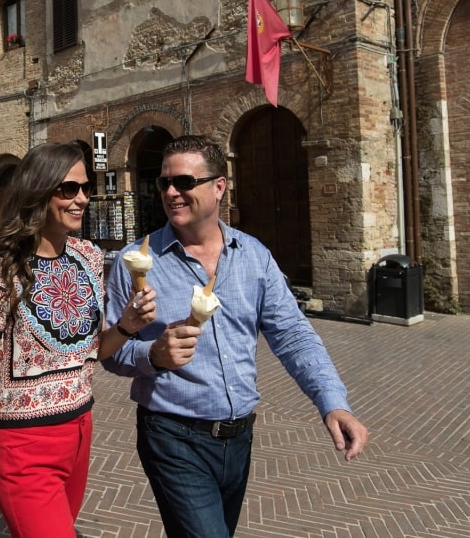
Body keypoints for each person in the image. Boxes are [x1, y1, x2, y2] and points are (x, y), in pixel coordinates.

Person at [102, 134, 369, 537]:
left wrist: (333, 402)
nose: (171, 192)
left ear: (219, 187)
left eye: (184, 183)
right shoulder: (135, 262)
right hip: (172, 436)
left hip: (239, 437)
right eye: (164, 183)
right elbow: (110, 354)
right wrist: (153, 355)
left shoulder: (254, 255)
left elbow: (294, 334)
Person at [0, 142, 157, 538]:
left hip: (80, 432)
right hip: (23, 448)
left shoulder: (89, 257)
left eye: (85, 187)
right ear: (39, 190)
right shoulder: (0, 271)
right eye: (68, 189)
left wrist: (127, 326)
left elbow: (91, 352)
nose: (81, 198)